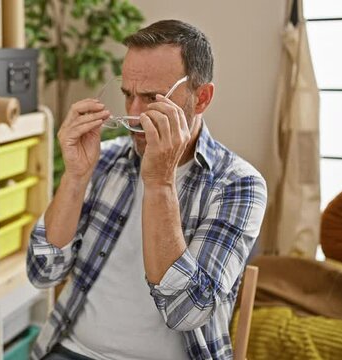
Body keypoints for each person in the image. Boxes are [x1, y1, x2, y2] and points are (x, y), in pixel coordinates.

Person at [27, 19, 268, 360]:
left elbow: (186, 311)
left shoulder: (240, 185)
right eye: (128, 95)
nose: (134, 115)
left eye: (152, 99)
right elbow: (42, 273)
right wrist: (75, 177)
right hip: (71, 351)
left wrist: (159, 182)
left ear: (201, 98)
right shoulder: (104, 160)